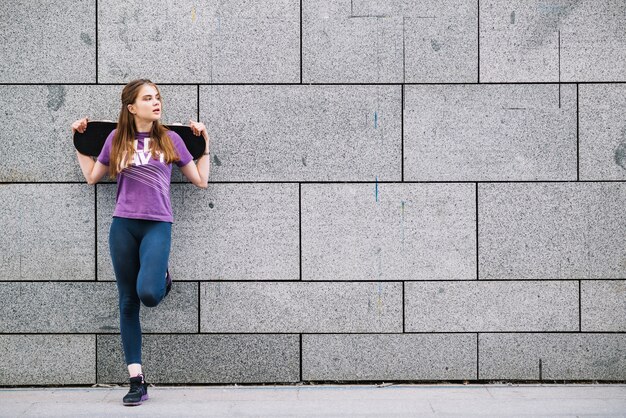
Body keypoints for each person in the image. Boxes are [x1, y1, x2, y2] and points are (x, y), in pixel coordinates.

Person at [71, 79, 211, 406]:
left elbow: (201, 181)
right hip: (123, 226)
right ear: (132, 107)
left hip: (157, 226)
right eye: (148, 98)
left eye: (157, 97)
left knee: (148, 293)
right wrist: (78, 140)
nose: (156, 102)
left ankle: (162, 277)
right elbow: (93, 176)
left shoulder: (172, 139)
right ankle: (137, 379)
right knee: (127, 301)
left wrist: (206, 141)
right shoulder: (116, 140)